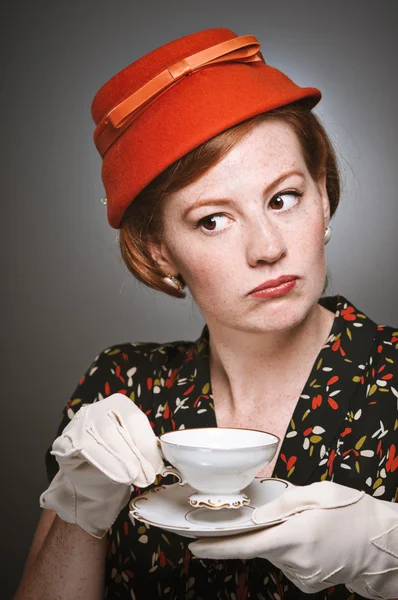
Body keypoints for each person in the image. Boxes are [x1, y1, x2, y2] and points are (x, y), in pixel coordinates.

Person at [13, 27, 398, 600]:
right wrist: (80, 509)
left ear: (321, 194)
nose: (267, 247)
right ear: (159, 250)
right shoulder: (123, 389)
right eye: (212, 219)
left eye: (283, 197)